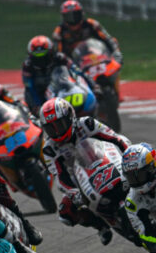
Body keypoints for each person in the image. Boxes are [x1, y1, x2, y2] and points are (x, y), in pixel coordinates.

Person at [38, 97, 130, 245]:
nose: (57, 132)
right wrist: (72, 191)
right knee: (65, 213)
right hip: (80, 181)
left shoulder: (87, 124)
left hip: (106, 163)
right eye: (51, 128)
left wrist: (129, 155)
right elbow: (60, 177)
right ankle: (101, 226)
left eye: (59, 125)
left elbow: (115, 138)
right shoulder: (49, 149)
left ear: (70, 118)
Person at [21, 35, 91, 115]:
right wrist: (37, 106)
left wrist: (93, 85)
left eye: (44, 57)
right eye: (37, 58)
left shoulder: (60, 57)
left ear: (51, 52)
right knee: (30, 103)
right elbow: (30, 88)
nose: (41, 61)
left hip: (61, 87)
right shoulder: (27, 65)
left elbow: (77, 71)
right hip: (40, 92)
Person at [50, 0, 123, 63]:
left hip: (92, 57)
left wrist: (116, 53)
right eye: (69, 17)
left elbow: (108, 39)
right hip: (72, 63)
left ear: (81, 14)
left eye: (76, 15)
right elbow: (58, 52)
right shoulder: (59, 31)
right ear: (64, 18)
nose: (73, 20)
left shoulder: (92, 24)